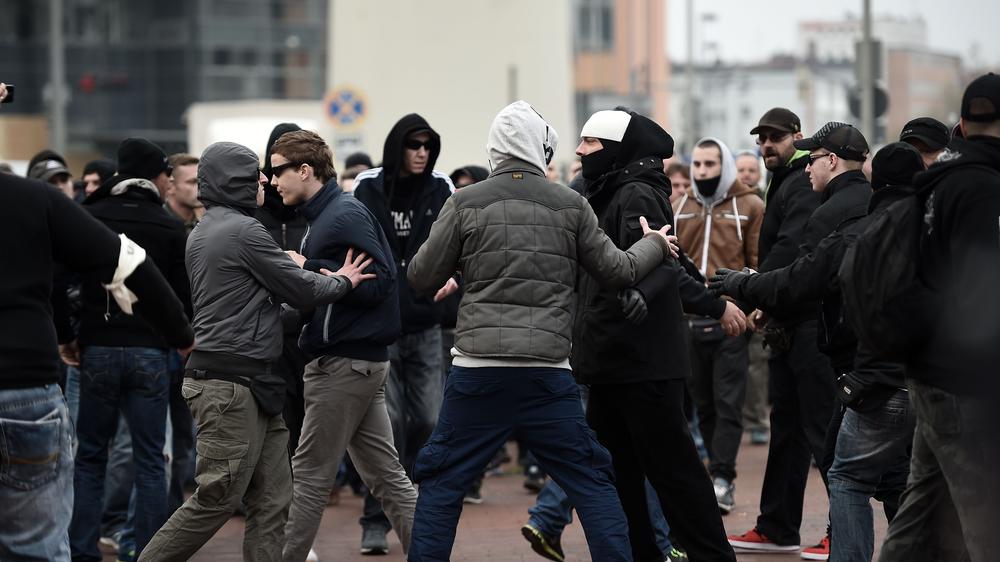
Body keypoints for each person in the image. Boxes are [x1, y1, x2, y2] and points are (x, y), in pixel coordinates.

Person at [404, 100, 678, 561]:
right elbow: (618, 270)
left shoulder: (464, 201)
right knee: (591, 479)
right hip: (548, 371)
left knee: (442, 482)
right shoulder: (570, 203)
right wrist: (655, 243)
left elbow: (420, 276)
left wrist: (462, 264)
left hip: (477, 369)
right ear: (541, 148)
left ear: (495, 148)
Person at [138, 142, 374, 562]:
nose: (264, 179)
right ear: (235, 181)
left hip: (247, 383)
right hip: (232, 387)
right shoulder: (243, 231)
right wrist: (343, 280)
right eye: (255, 173)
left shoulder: (206, 229)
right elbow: (302, 287)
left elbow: (253, 311)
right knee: (216, 498)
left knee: (272, 499)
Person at [710, 142, 924, 562]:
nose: (806, 167)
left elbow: (803, 278)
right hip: (928, 379)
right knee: (902, 479)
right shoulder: (934, 224)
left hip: (877, 378)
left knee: (845, 473)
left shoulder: (859, 228)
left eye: (813, 158)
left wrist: (740, 284)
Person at [571, 108, 741, 562]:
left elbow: (661, 265)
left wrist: (715, 303)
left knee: (673, 473)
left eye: (590, 143)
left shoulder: (636, 194)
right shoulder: (606, 191)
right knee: (619, 472)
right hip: (615, 359)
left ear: (616, 150)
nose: (579, 151)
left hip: (641, 361)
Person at [0, 168, 193, 562]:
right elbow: (127, 262)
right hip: (23, 388)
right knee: (33, 547)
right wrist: (181, 335)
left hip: (51, 372)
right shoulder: (34, 199)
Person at [268, 130, 418, 562]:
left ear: (305, 170)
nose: (273, 180)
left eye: (278, 170)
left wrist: (309, 267)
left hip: (344, 365)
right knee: (388, 477)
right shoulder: (332, 213)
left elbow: (381, 285)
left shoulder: (341, 214)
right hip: (356, 363)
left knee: (311, 475)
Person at [879, 72, 1000, 562]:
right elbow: (979, 294)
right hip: (963, 378)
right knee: (986, 521)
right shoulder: (982, 190)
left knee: (920, 510)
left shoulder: (936, 183)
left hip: (929, 367)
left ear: (964, 127)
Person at [65, 137, 192, 562]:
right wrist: (182, 341)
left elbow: (62, 284)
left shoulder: (90, 214)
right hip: (150, 352)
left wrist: (68, 334)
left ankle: (82, 551)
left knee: (90, 457)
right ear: (155, 176)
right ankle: (143, 551)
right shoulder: (169, 225)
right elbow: (181, 298)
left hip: (96, 347)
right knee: (151, 459)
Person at [727, 108, 832, 558]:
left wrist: (756, 297)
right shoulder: (784, 180)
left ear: (798, 137)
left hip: (809, 323)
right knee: (787, 427)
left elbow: (791, 248)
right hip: (789, 321)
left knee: (821, 429)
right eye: (762, 139)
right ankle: (777, 526)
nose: (767, 145)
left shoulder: (800, 180)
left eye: (775, 137)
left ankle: (842, 529)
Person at [352, 113, 455, 554]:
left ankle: (407, 498)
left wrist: (457, 274)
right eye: (414, 145)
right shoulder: (367, 186)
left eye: (428, 145)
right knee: (388, 424)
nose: (421, 153)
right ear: (398, 146)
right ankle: (375, 518)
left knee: (430, 419)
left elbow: (460, 240)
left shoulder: (442, 187)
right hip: (380, 323)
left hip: (427, 322)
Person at [672, 136, 764, 514]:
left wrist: (756, 305)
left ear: (723, 165)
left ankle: (723, 477)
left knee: (729, 404)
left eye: (710, 164)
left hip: (732, 318)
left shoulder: (751, 205)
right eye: (697, 165)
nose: (703, 172)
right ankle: (714, 472)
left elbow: (759, 259)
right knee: (703, 405)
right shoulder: (679, 205)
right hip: (688, 319)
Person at [164, 153, 204, 233]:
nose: (202, 186)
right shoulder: (159, 225)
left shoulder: (204, 226)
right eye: (193, 182)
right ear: (170, 186)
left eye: (203, 181)